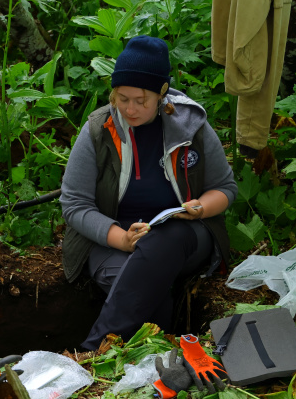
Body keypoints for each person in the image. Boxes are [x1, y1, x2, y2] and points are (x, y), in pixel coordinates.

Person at [61, 36, 237, 350]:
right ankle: (155, 357)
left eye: (141, 100)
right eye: (122, 98)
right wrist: (121, 239)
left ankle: (91, 351)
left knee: (165, 240)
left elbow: (225, 189)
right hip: (113, 240)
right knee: (145, 290)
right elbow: (74, 204)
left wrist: (200, 207)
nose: (130, 109)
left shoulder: (191, 126)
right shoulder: (98, 132)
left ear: (162, 93)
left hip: (183, 236)